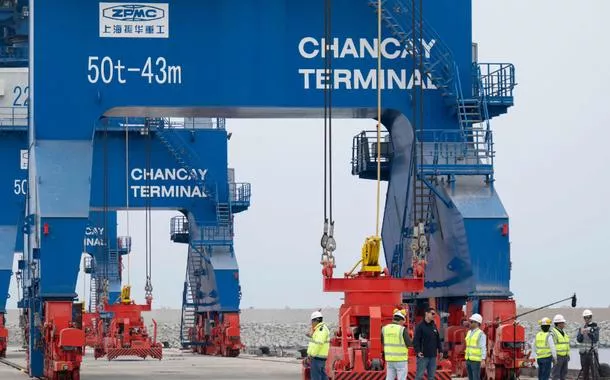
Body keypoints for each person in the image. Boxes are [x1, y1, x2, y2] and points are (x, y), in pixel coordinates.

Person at [381, 309, 412, 380]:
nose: (403, 323)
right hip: (401, 360)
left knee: (389, 378)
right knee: (402, 378)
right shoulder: (402, 329)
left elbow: (383, 342)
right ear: (401, 320)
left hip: (389, 359)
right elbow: (409, 344)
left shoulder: (384, 329)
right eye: (403, 321)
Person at [413, 307, 443, 380]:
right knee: (419, 376)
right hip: (423, 356)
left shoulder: (434, 326)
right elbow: (416, 340)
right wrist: (418, 351)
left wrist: (441, 350)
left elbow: (437, 339)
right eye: (432, 313)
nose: (433, 315)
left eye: (434, 314)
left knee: (431, 377)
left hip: (433, 356)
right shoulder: (420, 326)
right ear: (426, 313)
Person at [576, 309, 600, 380]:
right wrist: (581, 333)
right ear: (584, 318)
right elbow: (579, 340)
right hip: (583, 354)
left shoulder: (595, 328)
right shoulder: (581, 328)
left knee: (595, 372)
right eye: (585, 317)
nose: (587, 319)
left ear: (591, 317)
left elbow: (595, 339)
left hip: (592, 353)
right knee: (585, 372)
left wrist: (589, 333)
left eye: (588, 317)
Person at [307, 310, 330, 380]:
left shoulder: (321, 330)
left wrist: (311, 355)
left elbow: (318, 344)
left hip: (316, 358)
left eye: (312, 321)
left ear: (315, 321)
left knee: (316, 377)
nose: (311, 323)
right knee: (323, 376)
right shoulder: (319, 329)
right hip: (319, 358)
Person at [464, 313, 487, 380]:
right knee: (470, 378)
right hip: (468, 359)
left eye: (471, 322)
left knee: (475, 378)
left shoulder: (481, 334)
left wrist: (483, 359)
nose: (469, 323)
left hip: (476, 361)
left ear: (477, 323)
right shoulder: (469, 332)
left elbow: (483, 347)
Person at [550, 314, 570, 380]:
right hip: (558, 357)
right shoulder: (553, 333)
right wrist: (554, 357)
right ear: (558, 323)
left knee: (564, 374)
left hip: (565, 357)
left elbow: (566, 344)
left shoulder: (563, 332)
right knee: (556, 375)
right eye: (563, 322)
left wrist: (568, 355)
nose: (564, 324)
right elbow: (551, 346)